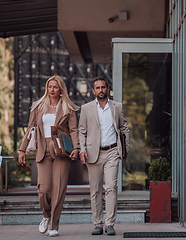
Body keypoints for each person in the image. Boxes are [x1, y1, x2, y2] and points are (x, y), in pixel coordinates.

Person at [18, 75, 80, 237]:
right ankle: (46, 215)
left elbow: (73, 130)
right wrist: (22, 149)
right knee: (44, 189)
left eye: (55, 87)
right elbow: (30, 128)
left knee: (59, 189)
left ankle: (54, 225)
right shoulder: (38, 106)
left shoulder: (68, 108)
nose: (52, 89)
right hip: (43, 149)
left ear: (61, 90)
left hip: (61, 151)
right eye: (50, 86)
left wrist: (77, 148)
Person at [78, 77, 129, 236]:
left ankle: (110, 223)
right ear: (93, 91)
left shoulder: (117, 107)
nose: (101, 90)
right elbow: (81, 131)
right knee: (95, 190)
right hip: (93, 154)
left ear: (108, 89)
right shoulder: (86, 109)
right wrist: (82, 149)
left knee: (111, 187)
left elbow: (124, 128)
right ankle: (98, 224)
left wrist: (124, 148)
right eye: (97, 88)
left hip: (112, 152)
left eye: (103, 87)